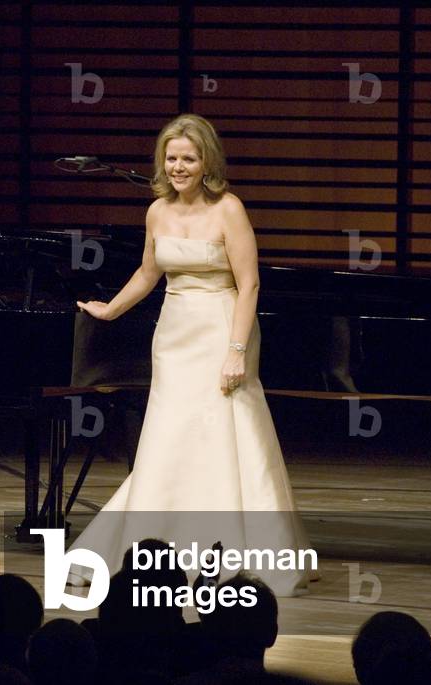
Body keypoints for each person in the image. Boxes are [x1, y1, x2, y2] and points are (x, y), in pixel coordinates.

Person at [73, 114, 312, 597]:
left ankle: (230, 551)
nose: (178, 167)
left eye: (188, 158)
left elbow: (250, 284)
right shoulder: (157, 211)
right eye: (171, 158)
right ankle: (151, 548)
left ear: (207, 162)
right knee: (167, 437)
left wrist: (236, 351)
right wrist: (111, 309)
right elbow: (148, 273)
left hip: (222, 329)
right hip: (174, 335)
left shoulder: (229, 209)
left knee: (222, 433)